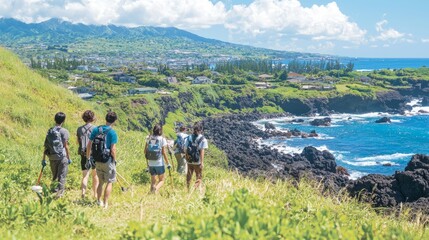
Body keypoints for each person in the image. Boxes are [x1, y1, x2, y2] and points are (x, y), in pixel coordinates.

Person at [86, 112, 118, 209]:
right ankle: (105, 203)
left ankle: (98, 201)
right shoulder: (112, 132)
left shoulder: (96, 129)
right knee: (109, 182)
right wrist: (114, 160)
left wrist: (88, 157)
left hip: (97, 159)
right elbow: (113, 149)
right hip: (107, 159)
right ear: (114, 121)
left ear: (105, 118)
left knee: (100, 182)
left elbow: (89, 144)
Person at [42, 112, 71, 198]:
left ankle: (53, 192)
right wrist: (68, 158)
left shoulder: (50, 131)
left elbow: (45, 146)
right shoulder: (64, 131)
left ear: (55, 119)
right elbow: (66, 146)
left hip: (52, 157)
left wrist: (43, 159)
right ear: (63, 121)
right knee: (62, 175)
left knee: (54, 175)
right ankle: (59, 195)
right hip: (62, 157)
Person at [77, 110, 99, 199]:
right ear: (92, 118)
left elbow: (78, 141)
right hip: (93, 154)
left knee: (85, 176)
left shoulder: (79, 129)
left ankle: (83, 194)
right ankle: (95, 194)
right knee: (95, 175)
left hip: (83, 153)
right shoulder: (95, 129)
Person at [144, 124, 171, 194]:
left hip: (151, 163)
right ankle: (156, 189)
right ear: (160, 131)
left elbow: (145, 151)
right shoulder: (162, 139)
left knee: (153, 181)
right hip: (159, 163)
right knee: (161, 180)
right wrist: (168, 163)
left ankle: (151, 194)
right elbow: (164, 153)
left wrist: (148, 162)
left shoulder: (149, 138)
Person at [184, 122, 208, 192]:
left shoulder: (189, 137)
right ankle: (195, 189)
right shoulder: (203, 139)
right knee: (199, 175)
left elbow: (185, 148)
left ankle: (188, 188)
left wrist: (186, 157)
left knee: (189, 174)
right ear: (201, 130)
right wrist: (202, 162)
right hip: (197, 161)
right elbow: (202, 151)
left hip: (190, 160)